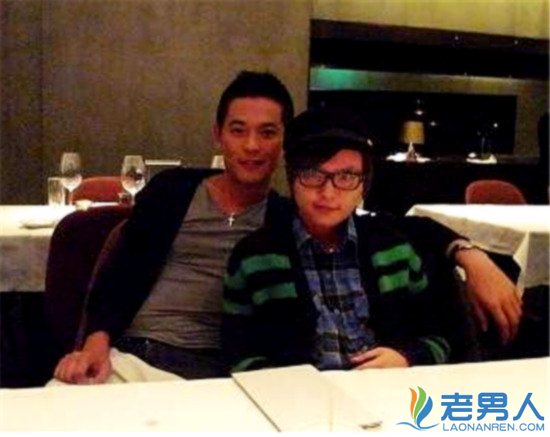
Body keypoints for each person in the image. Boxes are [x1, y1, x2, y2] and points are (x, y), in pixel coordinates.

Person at [54, 71, 520, 384]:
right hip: (136, 356)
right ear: (218, 134)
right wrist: (96, 343)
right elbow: (120, 271)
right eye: (238, 130)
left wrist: (469, 253)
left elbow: (399, 229)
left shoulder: (290, 216)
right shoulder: (172, 190)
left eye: (268, 132)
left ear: (283, 145)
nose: (252, 146)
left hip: (222, 374)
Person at [222, 107, 468, 371]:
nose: (328, 193)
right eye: (312, 174)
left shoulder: (393, 250)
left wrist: (406, 358)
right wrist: (283, 381)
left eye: (346, 176)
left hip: (387, 388)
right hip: (296, 394)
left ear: (363, 185)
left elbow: (440, 336)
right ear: (292, 178)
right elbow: (237, 352)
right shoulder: (255, 257)